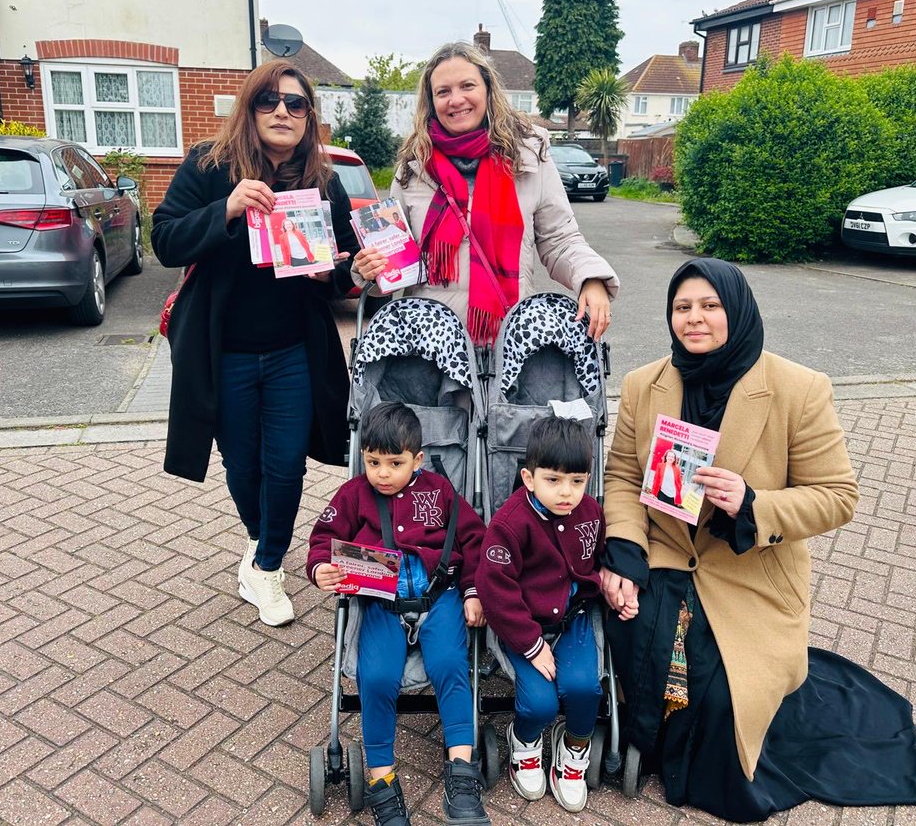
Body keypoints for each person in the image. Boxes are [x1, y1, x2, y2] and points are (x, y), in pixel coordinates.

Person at [598, 258, 916, 822]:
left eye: (710, 306)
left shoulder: (797, 389)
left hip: (748, 570)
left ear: (739, 309)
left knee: (723, 696)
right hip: (663, 557)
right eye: (683, 308)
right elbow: (624, 478)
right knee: (635, 646)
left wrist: (754, 503)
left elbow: (837, 496)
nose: (694, 319)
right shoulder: (643, 384)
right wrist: (625, 555)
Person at [151, 62, 358, 629]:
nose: (283, 113)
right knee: (242, 465)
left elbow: (343, 261)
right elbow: (165, 238)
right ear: (250, 107)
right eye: (270, 101)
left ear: (310, 117)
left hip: (294, 348)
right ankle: (258, 541)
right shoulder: (208, 165)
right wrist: (227, 208)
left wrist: (335, 275)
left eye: (296, 104)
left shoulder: (324, 178)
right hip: (224, 353)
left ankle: (267, 566)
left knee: (286, 464)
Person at [352, 41, 618, 346]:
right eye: (443, 91)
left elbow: (559, 238)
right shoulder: (414, 167)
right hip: (430, 344)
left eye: (467, 86)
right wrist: (368, 270)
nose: (456, 100)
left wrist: (592, 277)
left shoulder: (528, 156)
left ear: (488, 90)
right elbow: (395, 260)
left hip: (509, 342)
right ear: (431, 101)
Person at [307, 402, 490, 826]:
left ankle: (461, 773)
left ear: (418, 460)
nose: (383, 473)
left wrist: (473, 591)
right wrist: (321, 568)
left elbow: (474, 537)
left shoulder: (439, 491)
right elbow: (323, 538)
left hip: (438, 594)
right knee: (377, 676)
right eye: (373, 462)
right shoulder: (353, 495)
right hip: (380, 602)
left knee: (449, 664)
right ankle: (382, 780)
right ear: (362, 457)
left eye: (395, 463)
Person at [477, 416, 621, 814]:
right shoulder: (511, 523)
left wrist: (611, 577)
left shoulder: (590, 512)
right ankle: (523, 741)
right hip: (526, 625)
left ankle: (573, 748)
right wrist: (529, 642)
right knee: (538, 703)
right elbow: (495, 587)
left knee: (585, 689)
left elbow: (597, 555)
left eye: (577, 481)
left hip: (572, 618)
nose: (567, 493)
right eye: (554, 480)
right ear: (529, 477)